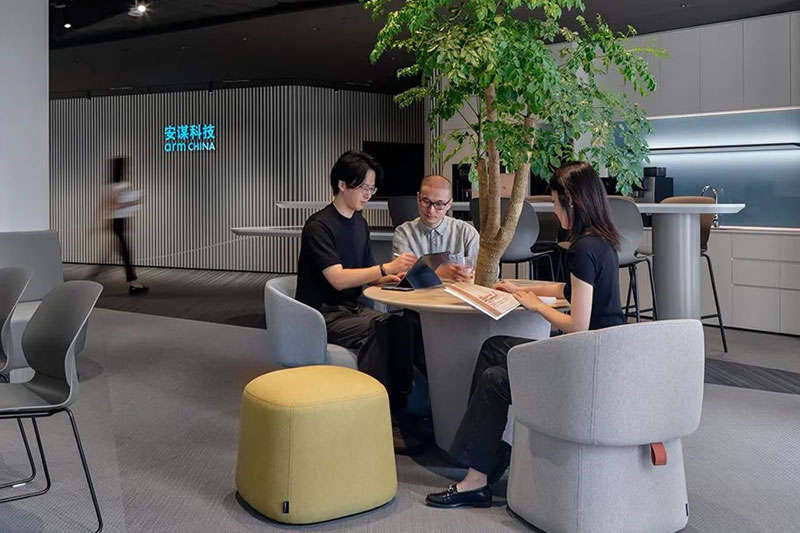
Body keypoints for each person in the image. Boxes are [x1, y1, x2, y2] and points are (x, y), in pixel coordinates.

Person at [425, 161, 626, 508]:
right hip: (599, 356)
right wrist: (520, 290)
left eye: (556, 204)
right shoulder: (601, 243)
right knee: (494, 346)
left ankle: (475, 479)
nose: (555, 212)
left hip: (584, 365)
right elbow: (569, 290)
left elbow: (577, 323)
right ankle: (482, 458)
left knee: (494, 379)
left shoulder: (582, 249)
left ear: (572, 202)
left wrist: (533, 305)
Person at [295, 151, 427, 453]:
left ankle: (413, 410)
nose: (369, 194)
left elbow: (366, 275)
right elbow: (338, 279)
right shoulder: (319, 226)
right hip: (323, 315)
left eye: (372, 188)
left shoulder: (358, 222)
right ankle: (382, 418)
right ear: (342, 184)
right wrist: (384, 268)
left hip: (353, 309)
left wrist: (390, 278)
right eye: (364, 187)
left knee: (409, 323)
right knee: (385, 328)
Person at [392, 175, 479, 281]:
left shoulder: (466, 232)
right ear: (418, 198)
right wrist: (438, 272)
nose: (431, 210)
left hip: (458, 290)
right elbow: (402, 275)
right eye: (426, 201)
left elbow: (484, 272)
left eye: (439, 204)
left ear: (449, 204)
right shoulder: (403, 233)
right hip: (418, 291)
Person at [99, 157, 147, 294]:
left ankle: (95, 277)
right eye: (127, 169)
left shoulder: (119, 185)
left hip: (119, 222)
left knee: (118, 253)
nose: (129, 171)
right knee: (125, 253)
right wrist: (135, 202)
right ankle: (133, 283)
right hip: (118, 223)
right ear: (121, 170)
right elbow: (115, 205)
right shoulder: (116, 186)